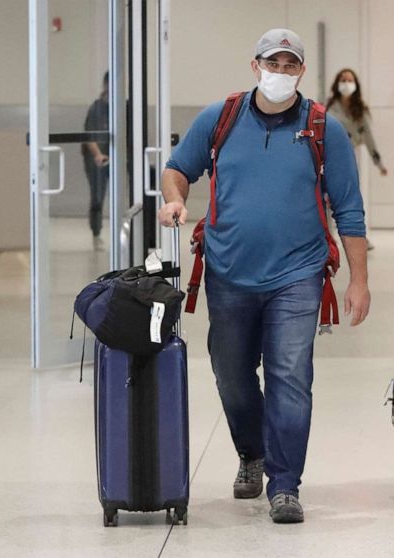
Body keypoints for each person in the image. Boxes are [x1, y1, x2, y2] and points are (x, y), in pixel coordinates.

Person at [157, 28, 371, 524]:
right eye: (272, 64)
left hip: (298, 274)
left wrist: (357, 279)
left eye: (289, 66)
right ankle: (251, 452)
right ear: (255, 66)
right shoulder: (221, 117)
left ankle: (284, 484)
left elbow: (349, 209)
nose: (280, 73)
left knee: (290, 378)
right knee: (231, 375)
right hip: (229, 273)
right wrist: (175, 198)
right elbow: (177, 168)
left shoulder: (323, 128)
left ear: (301, 71)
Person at [326, 69, 386, 250]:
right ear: (337, 83)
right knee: (329, 198)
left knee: (355, 198)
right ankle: (328, 238)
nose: (346, 83)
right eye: (343, 80)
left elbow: (368, 136)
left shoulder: (360, 108)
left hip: (353, 153)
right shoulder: (329, 107)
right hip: (331, 155)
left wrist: (379, 163)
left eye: (349, 80)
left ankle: (360, 237)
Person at [82, 73, 110, 250]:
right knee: (97, 196)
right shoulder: (96, 108)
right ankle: (96, 233)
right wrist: (98, 155)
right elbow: (89, 136)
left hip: (113, 157)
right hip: (96, 160)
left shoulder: (123, 107)